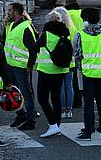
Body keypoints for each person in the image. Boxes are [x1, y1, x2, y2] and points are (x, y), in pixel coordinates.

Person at [73, 7, 101, 141]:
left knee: (88, 104)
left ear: (85, 20)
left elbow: (76, 54)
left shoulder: (80, 34)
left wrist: (81, 69)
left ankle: (88, 131)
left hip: (87, 74)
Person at [32, 8, 72, 138]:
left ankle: (53, 124)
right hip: (61, 70)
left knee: (42, 98)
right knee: (55, 98)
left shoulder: (46, 34)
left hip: (47, 70)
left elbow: (34, 47)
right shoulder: (66, 33)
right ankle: (57, 125)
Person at [4, 2, 38, 131]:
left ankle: (31, 119)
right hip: (11, 64)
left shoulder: (25, 27)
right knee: (11, 91)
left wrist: (30, 65)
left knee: (26, 93)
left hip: (21, 66)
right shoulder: (12, 25)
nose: (9, 12)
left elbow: (33, 49)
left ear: (16, 12)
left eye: (10, 10)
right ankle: (21, 114)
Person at [52, 6, 76, 119]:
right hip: (70, 61)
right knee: (69, 85)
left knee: (60, 86)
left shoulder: (56, 29)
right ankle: (69, 109)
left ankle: (61, 109)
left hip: (60, 61)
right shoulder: (73, 29)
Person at [65, 0, 83, 109]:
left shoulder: (66, 15)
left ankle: (72, 101)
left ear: (67, 1)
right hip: (81, 46)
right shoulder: (80, 13)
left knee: (70, 79)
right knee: (79, 76)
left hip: (69, 48)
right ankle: (79, 99)